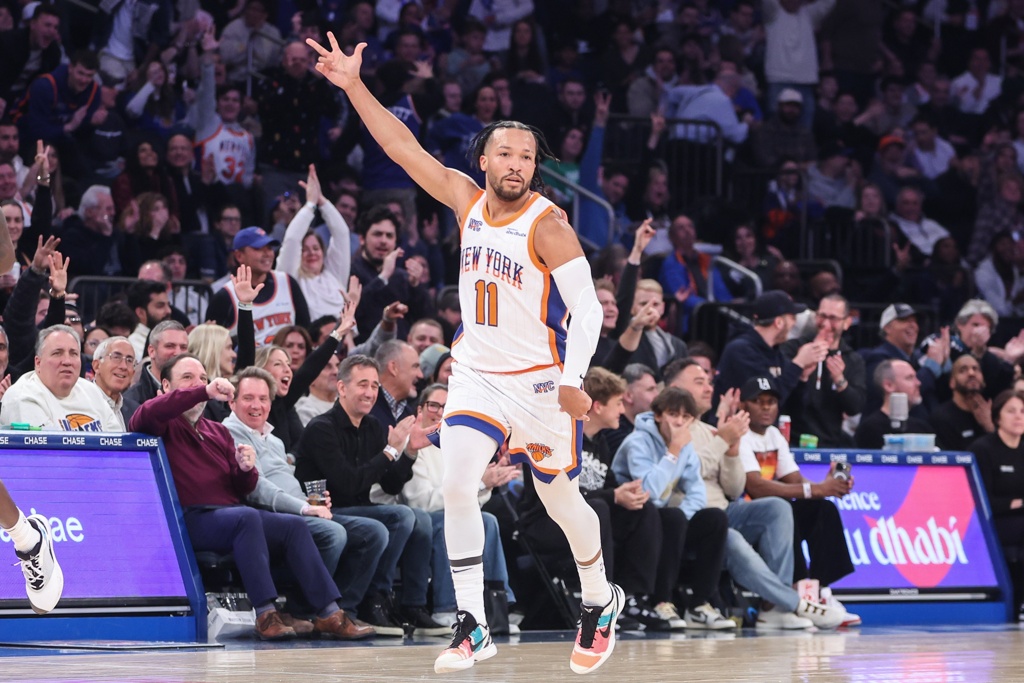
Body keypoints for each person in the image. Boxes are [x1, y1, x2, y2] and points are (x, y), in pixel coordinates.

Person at [308, 33, 622, 674]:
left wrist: (573, 378)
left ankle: (599, 597)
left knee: (561, 502)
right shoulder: (465, 199)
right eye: (505, 153)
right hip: (477, 371)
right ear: (483, 159)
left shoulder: (549, 226)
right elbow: (401, 147)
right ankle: (472, 625)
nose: (516, 164)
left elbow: (588, 309)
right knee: (456, 483)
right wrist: (354, 86)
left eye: (526, 156)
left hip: (540, 381)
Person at [128, 354, 369, 640]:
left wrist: (245, 469)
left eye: (203, 378)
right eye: (188, 378)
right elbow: (145, 413)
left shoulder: (217, 431)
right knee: (247, 517)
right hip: (188, 518)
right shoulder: (161, 422)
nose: (198, 384)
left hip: (230, 514)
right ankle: (266, 614)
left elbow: (242, 487)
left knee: (292, 525)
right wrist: (204, 391)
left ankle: (329, 613)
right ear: (166, 386)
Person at [293, 355, 446, 637]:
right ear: (342, 388)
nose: (370, 392)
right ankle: (358, 605)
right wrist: (389, 451)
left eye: (375, 386)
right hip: (324, 511)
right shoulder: (321, 428)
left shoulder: (373, 426)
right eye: (362, 384)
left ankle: (399, 603)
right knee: (390, 521)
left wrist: (409, 451)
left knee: (414, 518)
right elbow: (348, 484)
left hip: (359, 509)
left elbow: (390, 485)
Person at [224, 366, 386, 631]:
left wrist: (314, 501)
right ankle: (304, 609)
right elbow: (257, 488)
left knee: (374, 532)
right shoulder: (229, 433)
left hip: (300, 509)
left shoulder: (274, 440)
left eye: (263, 399)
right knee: (333, 534)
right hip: (271, 516)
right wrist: (304, 508)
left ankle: (343, 609)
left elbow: (289, 482)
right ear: (232, 402)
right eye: (248, 398)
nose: (257, 406)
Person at [609, 385, 734, 630]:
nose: (679, 422)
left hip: (661, 520)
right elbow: (650, 492)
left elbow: (697, 493)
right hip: (630, 519)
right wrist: (673, 451)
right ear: (658, 415)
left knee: (714, 519)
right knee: (672, 517)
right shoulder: (637, 442)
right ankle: (661, 601)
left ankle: (699, 605)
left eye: (686, 417)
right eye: (673, 414)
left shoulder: (685, 447)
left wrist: (683, 522)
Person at [738, 375, 859, 627]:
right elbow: (756, 487)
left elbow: (795, 480)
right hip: (746, 516)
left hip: (773, 511)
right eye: (758, 401)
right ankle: (789, 597)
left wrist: (825, 488)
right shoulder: (739, 434)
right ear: (743, 405)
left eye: (771, 401)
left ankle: (819, 591)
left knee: (821, 508)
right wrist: (817, 489)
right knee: (783, 510)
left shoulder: (774, 435)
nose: (765, 407)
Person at [399, 384, 518, 629]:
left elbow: (467, 498)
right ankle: (446, 608)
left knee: (488, 521)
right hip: (422, 518)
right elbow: (420, 501)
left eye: (447, 407)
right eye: (434, 405)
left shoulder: (456, 446)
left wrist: (485, 484)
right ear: (420, 410)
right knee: (449, 521)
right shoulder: (412, 446)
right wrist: (478, 484)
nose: (440, 412)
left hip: (444, 513)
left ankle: (498, 607)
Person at [714, 290, 828, 409]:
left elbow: (793, 408)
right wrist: (798, 364)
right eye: (792, 318)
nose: (794, 323)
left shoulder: (776, 354)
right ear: (779, 322)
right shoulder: (741, 350)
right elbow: (766, 402)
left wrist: (802, 377)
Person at [780, 294, 866, 447]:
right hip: (792, 440)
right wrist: (800, 370)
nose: (826, 324)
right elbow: (780, 394)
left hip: (831, 444)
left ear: (846, 323)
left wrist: (840, 381)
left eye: (833, 318)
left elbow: (855, 407)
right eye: (822, 316)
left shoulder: (853, 359)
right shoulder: (793, 348)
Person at [0, 325, 122, 431]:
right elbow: (47, 448)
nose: (67, 361)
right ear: (38, 363)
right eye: (57, 353)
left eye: (73, 353)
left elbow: (117, 442)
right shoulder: (22, 397)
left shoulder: (92, 391)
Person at [206, 227, 311, 346]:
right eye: (258, 249)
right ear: (239, 255)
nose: (267, 254)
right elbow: (212, 346)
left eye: (269, 248)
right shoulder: (225, 296)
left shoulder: (287, 282)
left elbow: (305, 330)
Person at [970, 390, 1024, 609]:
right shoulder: (983, 449)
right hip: (995, 521)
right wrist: (1017, 503)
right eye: (1011, 411)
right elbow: (981, 500)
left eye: (1022, 411)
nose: (1018, 416)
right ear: (997, 416)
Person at [277, 165, 351, 321]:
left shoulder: (334, 275)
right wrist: (310, 205)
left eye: (316, 248)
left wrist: (321, 200)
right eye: (305, 249)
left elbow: (342, 234)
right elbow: (292, 240)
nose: (312, 253)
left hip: (346, 336)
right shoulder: (292, 278)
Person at [854, 359, 934, 449]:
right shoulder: (869, 430)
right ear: (888, 385)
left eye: (916, 377)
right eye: (910, 378)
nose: (918, 383)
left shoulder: (922, 428)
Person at [929, 354, 994, 451]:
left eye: (976, 369)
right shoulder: (941, 418)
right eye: (963, 370)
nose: (971, 373)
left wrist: (989, 426)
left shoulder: (993, 413)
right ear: (952, 382)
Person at [91, 336, 139, 430]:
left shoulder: (136, 411)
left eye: (129, 360)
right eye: (116, 357)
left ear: (133, 373)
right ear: (97, 366)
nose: (123, 366)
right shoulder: (80, 404)